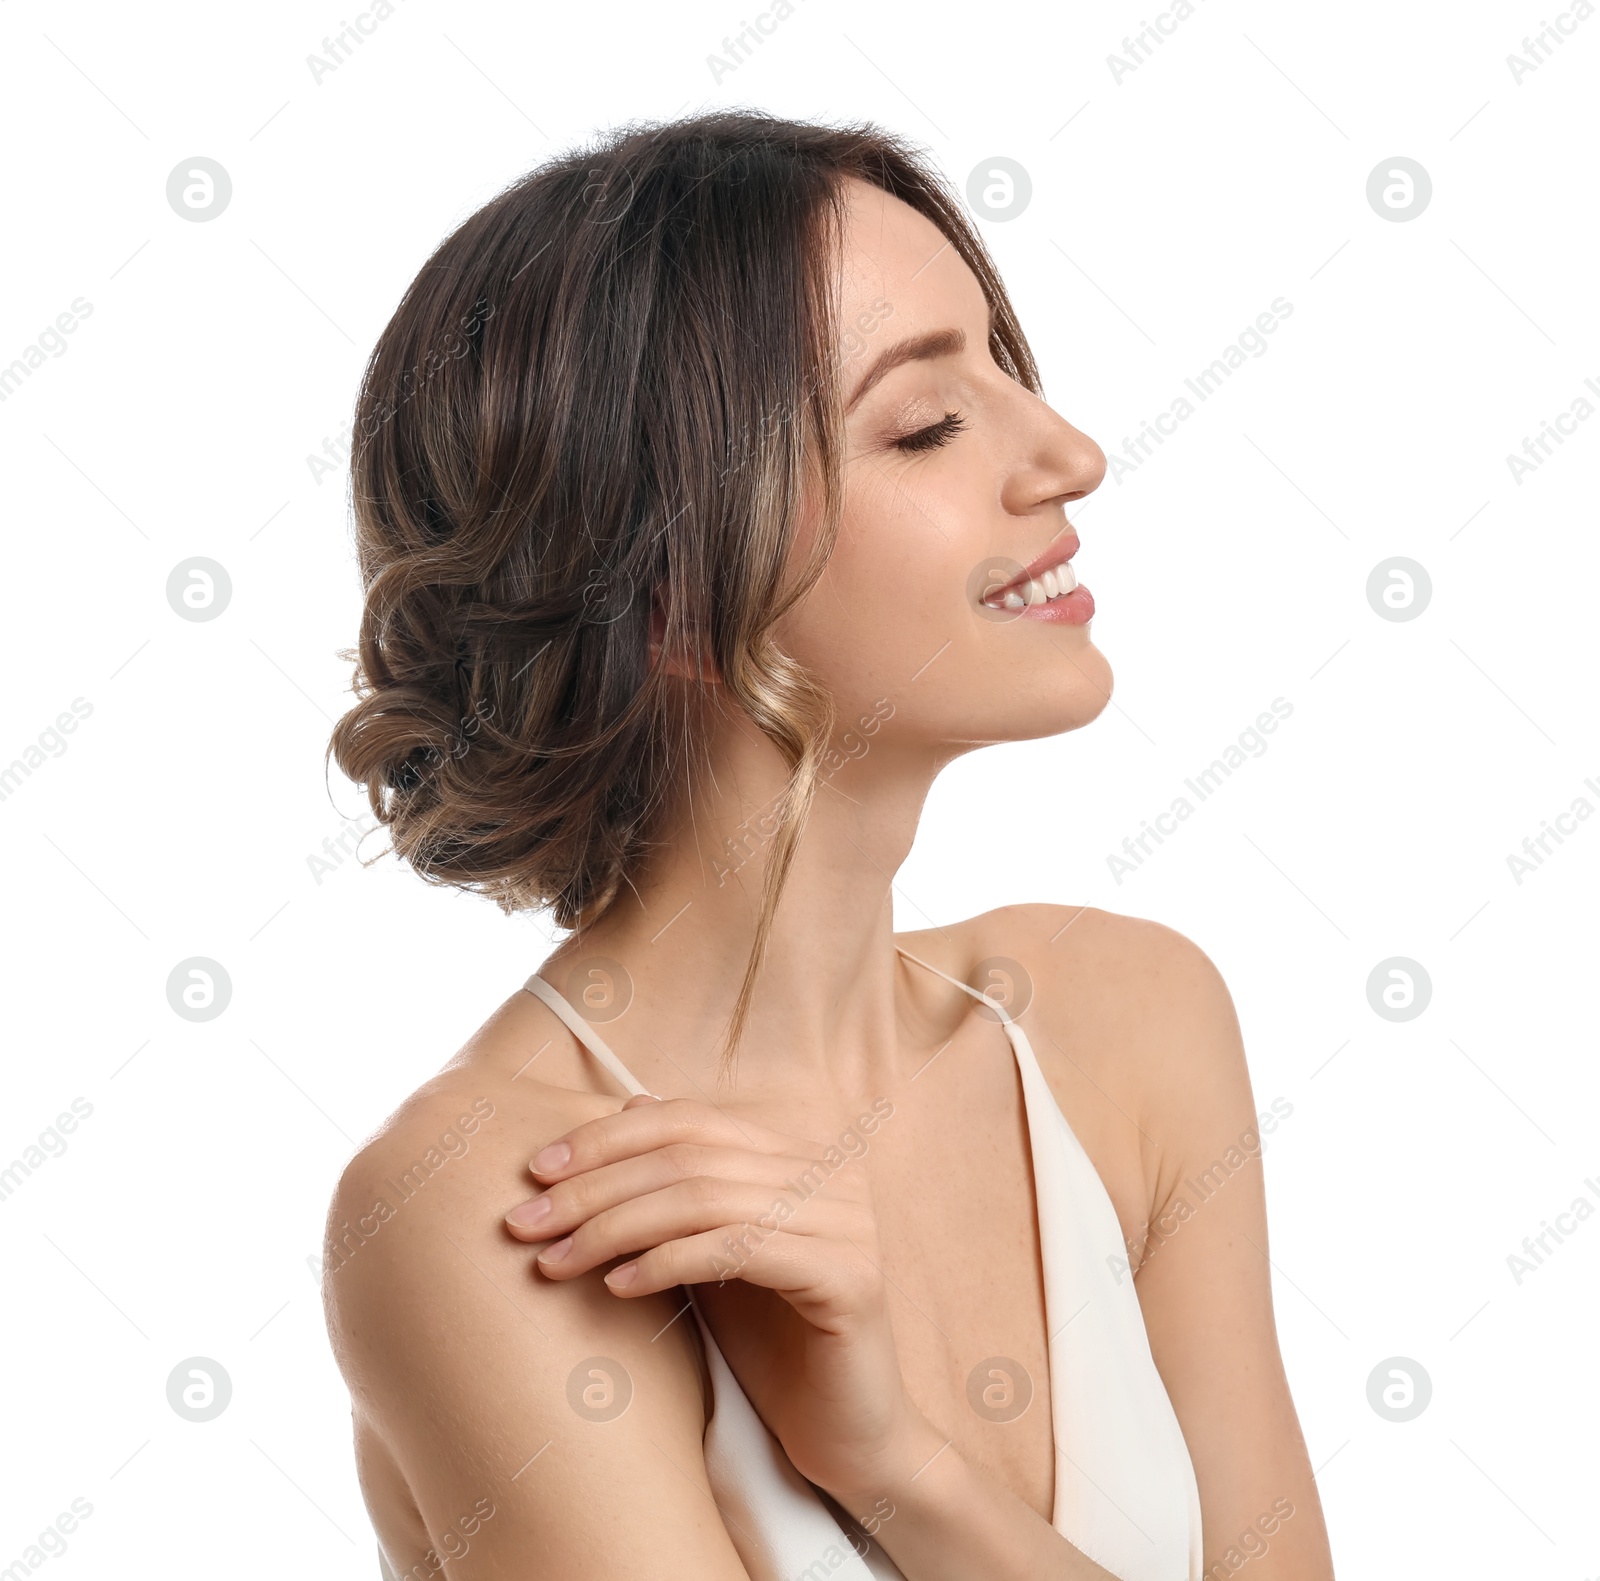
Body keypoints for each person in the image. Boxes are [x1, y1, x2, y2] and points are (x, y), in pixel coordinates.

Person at [321, 109, 1335, 1580]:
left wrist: (900, 1468)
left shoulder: (1130, 1023)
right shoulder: (497, 1203)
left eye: (1004, 367)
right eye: (927, 422)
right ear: (666, 589)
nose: (1068, 452)